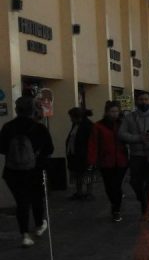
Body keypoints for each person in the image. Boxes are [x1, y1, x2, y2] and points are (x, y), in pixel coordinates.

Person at [0, 96, 54, 247]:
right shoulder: (39, 128)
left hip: (13, 172)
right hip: (35, 170)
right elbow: (49, 149)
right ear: (33, 110)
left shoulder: (7, 127)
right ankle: (39, 225)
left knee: (21, 202)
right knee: (37, 198)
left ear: (17, 110)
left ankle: (24, 234)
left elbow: (2, 148)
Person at [88, 101, 129, 222]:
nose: (115, 114)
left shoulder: (123, 124)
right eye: (112, 111)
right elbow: (93, 144)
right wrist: (92, 161)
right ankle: (114, 203)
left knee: (116, 185)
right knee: (109, 186)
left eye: (116, 111)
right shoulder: (98, 126)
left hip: (121, 160)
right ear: (106, 112)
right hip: (106, 161)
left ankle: (116, 209)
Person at [66, 107, 94, 200]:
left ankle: (88, 193)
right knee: (77, 173)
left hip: (84, 154)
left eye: (71, 117)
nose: (70, 119)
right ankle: (79, 192)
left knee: (87, 174)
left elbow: (90, 141)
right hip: (75, 154)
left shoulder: (87, 125)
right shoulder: (76, 125)